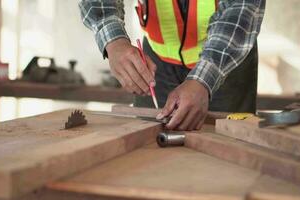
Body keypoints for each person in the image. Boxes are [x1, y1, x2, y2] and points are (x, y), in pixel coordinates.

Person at [78, 0, 265, 131]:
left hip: (225, 58)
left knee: (229, 154)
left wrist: (203, 79)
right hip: (156, 59)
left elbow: (242, 6)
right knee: (146, 155)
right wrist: (113, 40)